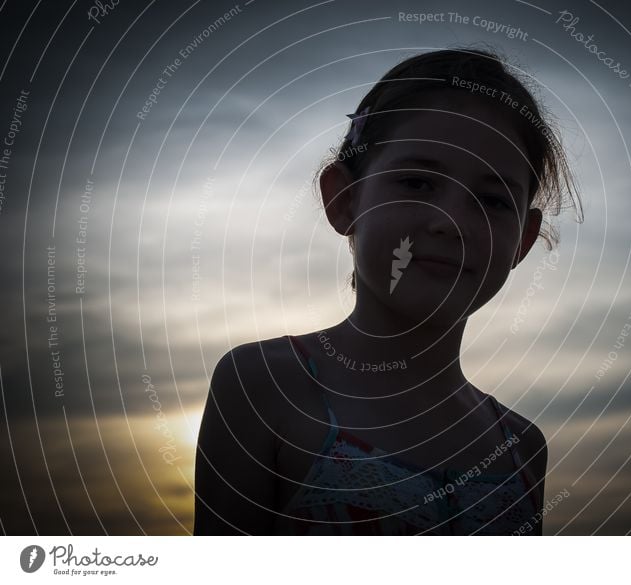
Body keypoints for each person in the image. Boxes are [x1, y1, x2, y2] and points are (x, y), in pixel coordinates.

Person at [194, 46, 583, 535]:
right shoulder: (266, 387)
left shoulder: (521, 447)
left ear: (523, 240)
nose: (451, 222)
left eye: (492, 200)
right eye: (417, 183)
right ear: (344, 200)